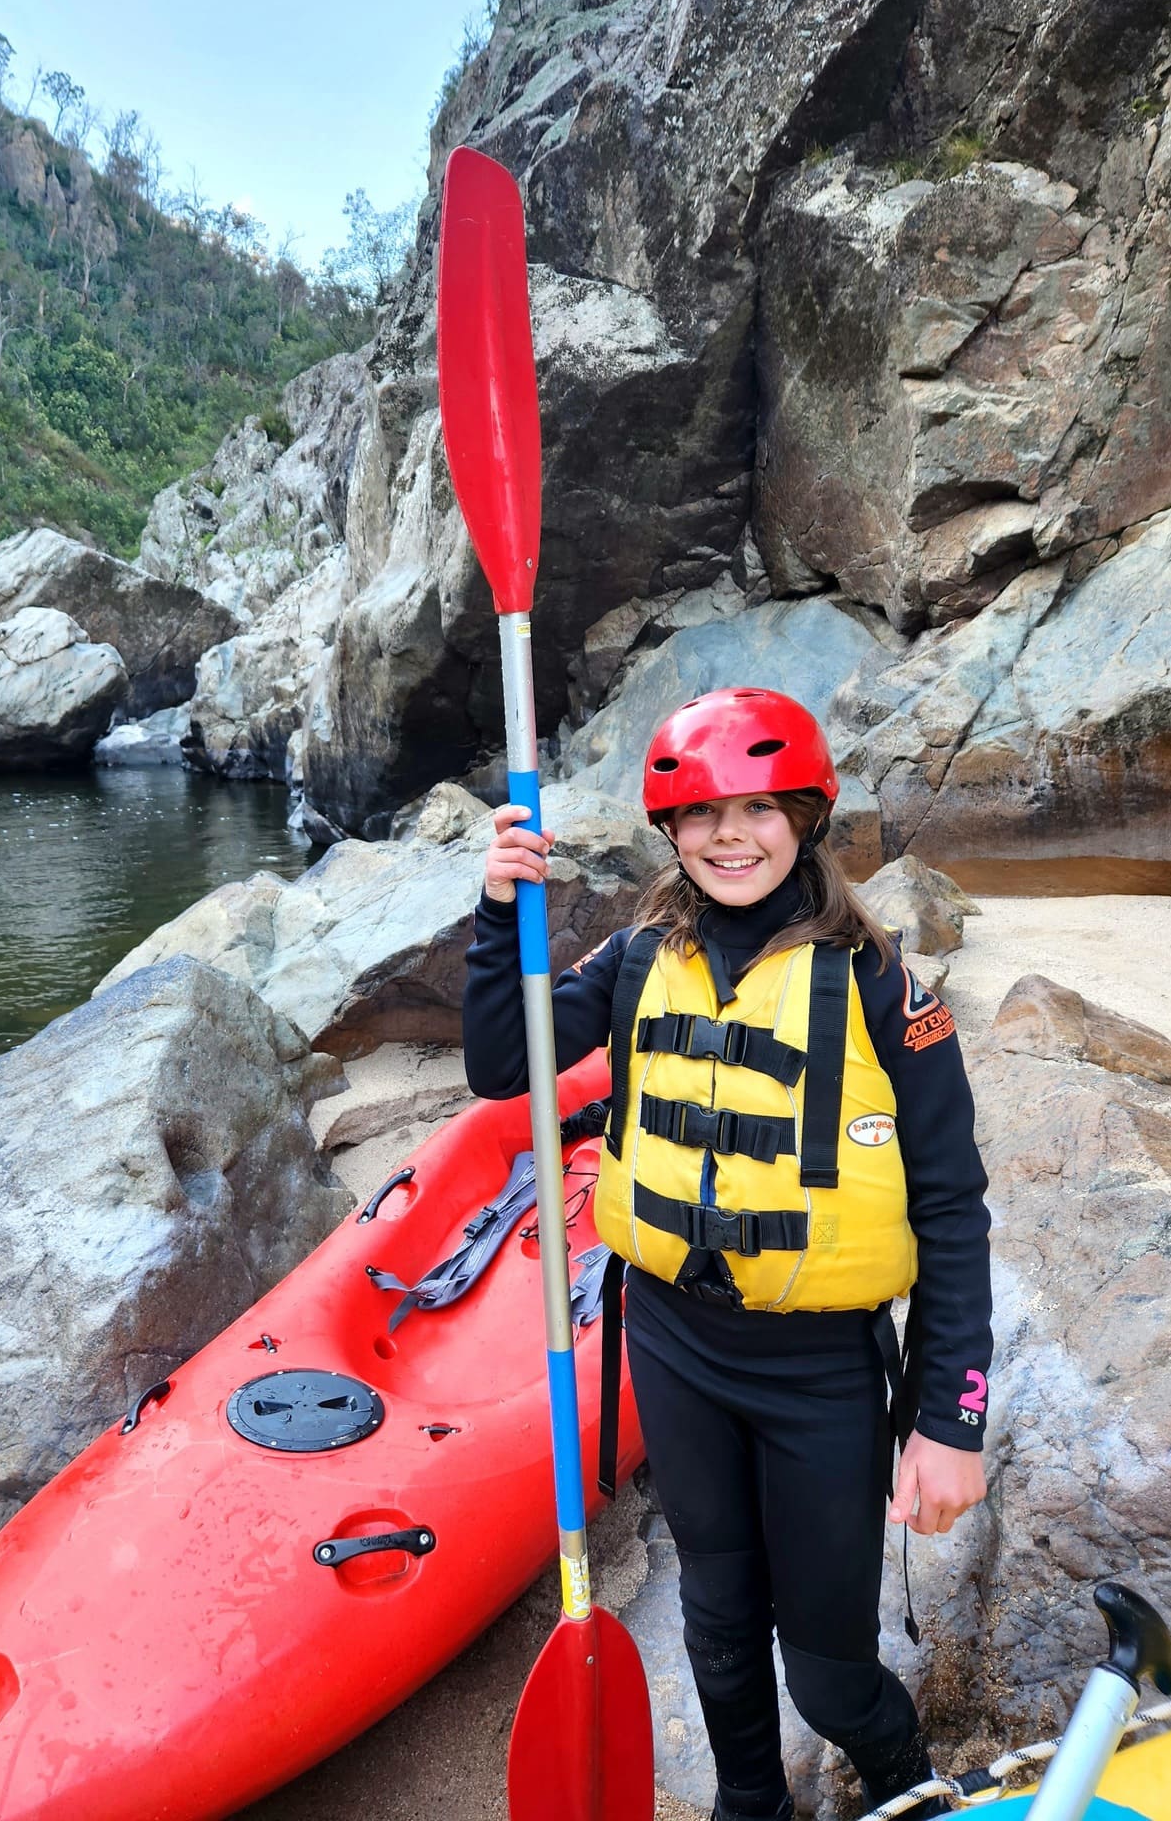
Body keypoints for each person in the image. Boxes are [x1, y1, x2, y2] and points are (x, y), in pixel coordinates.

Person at [462, 686, 991, 1821]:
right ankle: (750, 1802)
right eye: (700, 815)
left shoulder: (883, 984)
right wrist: (498, 906)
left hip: (821, 1372)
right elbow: (505, 1062)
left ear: (804, 814)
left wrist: (951, 1417)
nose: (729, 835)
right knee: (715, 1606)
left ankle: (909, 1782)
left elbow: (953, 1208)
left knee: (831, 1666)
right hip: (674, 1341)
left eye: (756, 807)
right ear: (670, 833)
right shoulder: (643, 956)